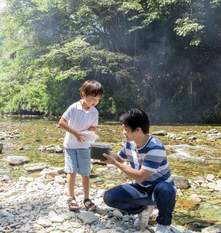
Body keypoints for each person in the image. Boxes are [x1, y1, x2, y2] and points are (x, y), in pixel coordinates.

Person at [102, 108, 176, 233]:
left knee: (165, 189)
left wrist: (115, 164)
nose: (123, 132)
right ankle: (144, 209)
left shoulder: (155, 147)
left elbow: (141, 176)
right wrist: (103, 155)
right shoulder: (129, 144)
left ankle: (164, 223)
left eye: (125, 128)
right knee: (109, 197)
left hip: (159, 189)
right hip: (141, 188)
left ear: (138, 130)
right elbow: (119, 158)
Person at [58, 80, 103, 212]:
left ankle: (86, 198)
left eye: (98, 99)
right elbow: (61, 122)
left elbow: (93, 126)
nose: (95, 102)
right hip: (71, 145)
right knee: (71, 171)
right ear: (84, 94)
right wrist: (75, 133)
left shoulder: (94, 112)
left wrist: (89, 132)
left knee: (85, 172)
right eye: (93, 98)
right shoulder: (73, 108)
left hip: (84, 146)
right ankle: (71, 197)